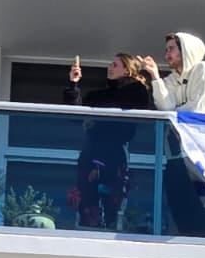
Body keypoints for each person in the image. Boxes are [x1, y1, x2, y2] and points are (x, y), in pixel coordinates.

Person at [141, 31, 205, 235]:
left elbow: (199, 109)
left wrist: (174, 113)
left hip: (201, 154)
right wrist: (155, 77)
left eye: (172, 49)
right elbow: (164, 107)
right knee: (179, 205)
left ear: (185, 49)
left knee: (203, 208)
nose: (167, 54)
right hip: (177, 154)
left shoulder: (204, 70)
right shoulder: (169, 80)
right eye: (166, 50)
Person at [64, 54, 152, 230]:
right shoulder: (98, 95)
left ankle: (111, 229)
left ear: (127, 70)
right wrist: (74, 84)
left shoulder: (136, 91)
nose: (109, 67)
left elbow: (139, 100)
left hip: (113, 154)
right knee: (88, 200)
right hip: (91, 152)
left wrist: (140, 74)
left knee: (112, 198)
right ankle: (86, 231)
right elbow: (74, 115)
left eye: (115, 64)